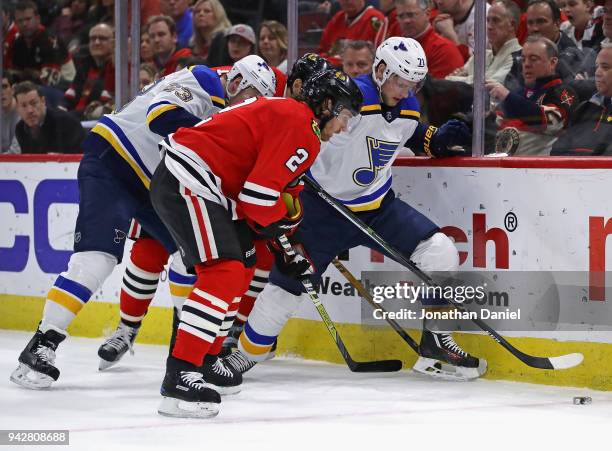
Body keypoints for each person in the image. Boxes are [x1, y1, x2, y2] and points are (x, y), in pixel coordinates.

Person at [223, 37, 483, 383]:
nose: (406, 91)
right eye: (400, 82)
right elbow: (306, 128)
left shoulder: (406, 105)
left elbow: (400, 132)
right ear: (380, 71)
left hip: (377, 207)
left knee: (441, 252)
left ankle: (435, 342)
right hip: (322, 211)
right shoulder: (350, 97)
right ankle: (243, 355)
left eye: (413, 84)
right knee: (287, 286)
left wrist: (433, 139)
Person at [8, 60, 235, 389]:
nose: (247, 97)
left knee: (194, 256)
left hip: (149, 182)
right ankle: (43, 344)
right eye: (246, 88)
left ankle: (187, 352)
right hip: (112, 161)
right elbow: (162, 117)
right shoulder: (203, 79)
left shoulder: (219, 99)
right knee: (97, 258)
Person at [151, 68, 363, 419]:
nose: (343, 127)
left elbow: (281, 194)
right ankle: (180, 375)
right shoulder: (301, 125)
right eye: (344, 117)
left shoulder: (294, 120)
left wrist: (287, 244)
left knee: (244, 266)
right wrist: (283, 241)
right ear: (326, 105)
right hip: (190, 178)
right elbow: (258, 200)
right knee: (224, 271)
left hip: (206, 184)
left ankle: (206, 358)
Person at [95, 55, 277, 371]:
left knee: (225, 262)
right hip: (158, 176)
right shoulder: (207, 82)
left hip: (202, 190)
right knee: (147, 253)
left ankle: (198, 334)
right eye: (251, 98)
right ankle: (128, 327)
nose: (252, 106)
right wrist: (215, 132)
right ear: (237, 83)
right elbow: (161, 118)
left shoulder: (254, 102)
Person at [487, 35, 578, 155]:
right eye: (523, 59)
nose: (526, 64)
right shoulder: (518, 94)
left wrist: (508, 97)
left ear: (552, 62)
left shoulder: (563, 92)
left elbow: (550, 122)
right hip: (499, 165)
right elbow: (495, 127)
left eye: (533, 59)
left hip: (539, 170)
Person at [551, 43, 612, 154]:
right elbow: (557, 150)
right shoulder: (583, 108)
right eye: (597, 66)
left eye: (605, 67)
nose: (597, 73)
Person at [446, 0, 522, 84]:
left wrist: (458, 79)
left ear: (512, 25)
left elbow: (487, 86)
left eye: (496, 20)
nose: (489, 26)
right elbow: (448, 80)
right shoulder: (479, 56)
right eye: (488, 20)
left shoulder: (519, 57)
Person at [8, 1, 76, 90]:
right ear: (15, 23)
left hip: (65, 86)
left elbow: (49, 81)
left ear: (38, 19)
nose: (24, 24)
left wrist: (29, 74)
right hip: (33, 86)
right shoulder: (17, 42)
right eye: (20, 21)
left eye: (28, 19)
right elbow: (15, 74)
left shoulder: (50, 40)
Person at [395, 0, 465, 78]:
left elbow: (436, 89)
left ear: (427, 14)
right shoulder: (395, 46)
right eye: (401, 16)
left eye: (411, 15)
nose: (406, 21)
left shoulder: (443, 49)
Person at [13, 81, 86, 154]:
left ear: (43, 101)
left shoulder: (67, 122)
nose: (29, 110)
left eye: (34, 103)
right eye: (23, 105)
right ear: (17, 108)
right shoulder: (20, 128)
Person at [64, 23, 114, 118]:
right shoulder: (84, 66)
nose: (97, 42)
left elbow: (102, 106)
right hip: (75, 119)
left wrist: (68, 117)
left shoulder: (115, 69)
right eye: (93, 39)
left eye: (102, 38)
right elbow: (69, 97)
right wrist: (60, 109)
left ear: (113, 43)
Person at [318, 0, 385, 57]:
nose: (348, 1)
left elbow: (379, 56)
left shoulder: (376, 19)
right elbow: (322, 50)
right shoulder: (337, 19)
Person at [1, 74, 21, 154]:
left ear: (13, 89)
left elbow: (16, 152)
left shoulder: (23, 112)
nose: (1, 92)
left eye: (4, 87)